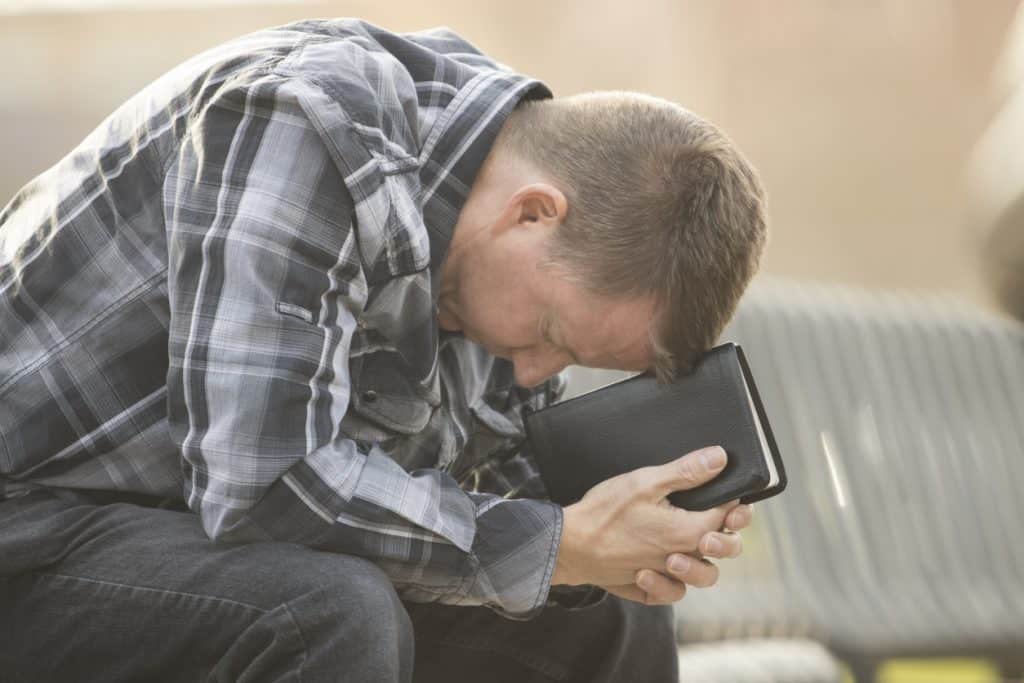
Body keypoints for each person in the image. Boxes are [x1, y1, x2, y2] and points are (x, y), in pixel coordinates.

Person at [0, 18, 766, 683]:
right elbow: (265, 482)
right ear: (532, 214)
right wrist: (561, 544)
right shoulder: (307, 121)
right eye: (552, 335)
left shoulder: (489, 247)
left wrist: (624, 538)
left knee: (608, 618)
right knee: (328, 610)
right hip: (31, 536)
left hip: (188, 548)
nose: (534, 373)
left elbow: (486, 498)